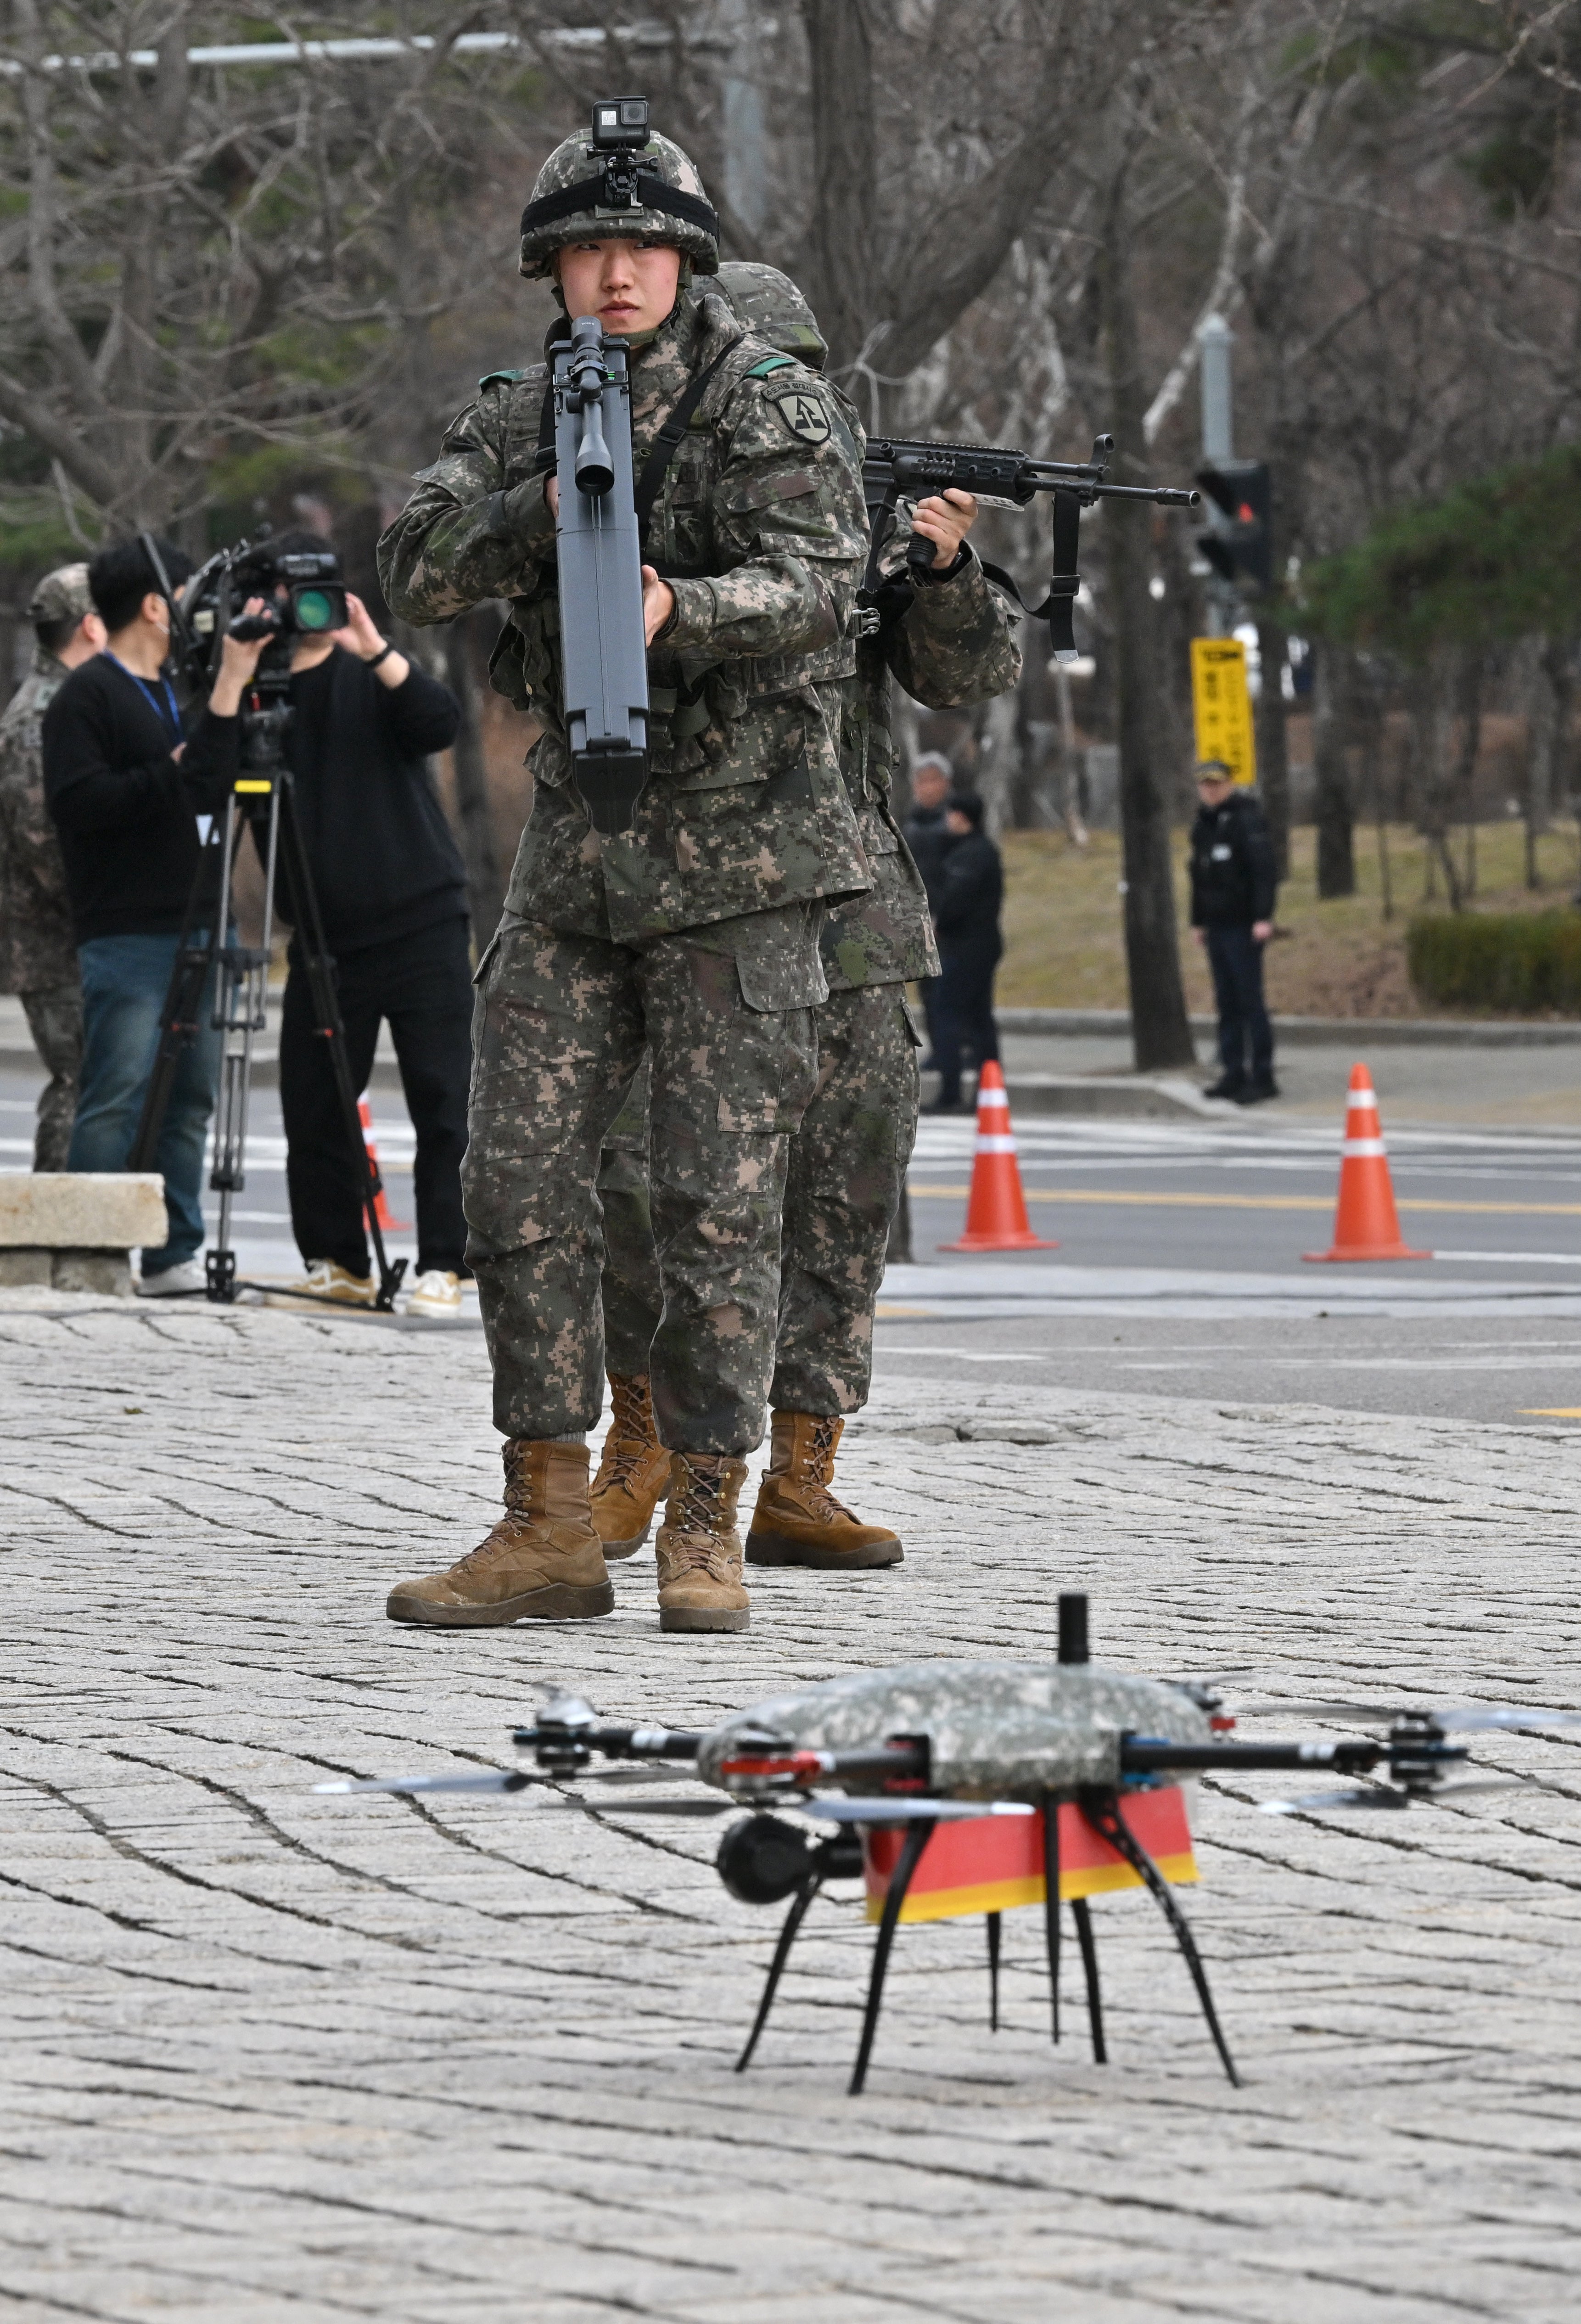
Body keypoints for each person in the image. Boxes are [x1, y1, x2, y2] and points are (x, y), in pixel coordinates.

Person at [376, 110, 872, 1636]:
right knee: (514, 1180)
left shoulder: (764, 403)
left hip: (740, 871)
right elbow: (416, 558)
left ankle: (706, 1524)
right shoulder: (522, 406)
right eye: (588, 249)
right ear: (554, 267)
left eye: (642, 247)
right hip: (582, 862)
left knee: (722, 1208)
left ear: (684, 259)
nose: (615, 273)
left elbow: (828, 581)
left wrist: (683, 608)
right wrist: (545, 515)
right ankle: (545, 1517)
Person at [589, 260, 1022, 1574]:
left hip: (853, 912)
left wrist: (938, 569)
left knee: (843, 1199)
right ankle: (645, 1440)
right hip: (696, 900)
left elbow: (967, 676)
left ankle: (804, 1465)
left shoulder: (852, 537)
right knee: (653, 1190)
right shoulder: (651, 521)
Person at [42, 537, 268, 1291]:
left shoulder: (182, 687)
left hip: (203, 916)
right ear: (150, 604)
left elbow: (213, 781)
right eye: (180, 590)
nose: (193, 604)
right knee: (116, 1093)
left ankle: (173, 1252)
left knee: (192, 1095)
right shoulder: (86, 695)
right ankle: (90, 1254)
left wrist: (225, 702)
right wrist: (165, 773)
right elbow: (79, 804)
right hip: (128, 926)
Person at [259, 534, 471, 1319]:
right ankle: (337, 1259)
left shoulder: (371, 671)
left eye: (321, 592)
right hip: (322, 937)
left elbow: (436, 722)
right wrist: (236, 662)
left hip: (420, 917)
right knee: (313, 1101)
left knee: (441, 1097)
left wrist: (374, 645)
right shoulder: (260, 690)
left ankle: (446, 1261)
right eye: (290, 594)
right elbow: (206, 773)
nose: (306, 609)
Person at [0, 566, 105, 1168]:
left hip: (72, 938)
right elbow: (44, 845)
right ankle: (55, 1231)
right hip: (55, 944)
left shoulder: (68, 702)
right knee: (81, 1081)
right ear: (90, 626)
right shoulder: (38, 720)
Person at [1189, 758, 1278, 1104]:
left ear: (1229, 784)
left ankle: (1262, 1073)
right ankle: (1232, 1072)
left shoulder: (1246, 820)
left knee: (1249, 1001)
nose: (1211, 790)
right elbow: (1199, 878)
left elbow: (1263, 873)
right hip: (1216, 925)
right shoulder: (1204, 825)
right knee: (1226, 1003)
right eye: (1206, 785)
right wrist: (1197, 921)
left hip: (1243, 925)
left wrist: (1263, 917)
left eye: (1217, 784)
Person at [926, 792, 1004, 1115]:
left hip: (964, 946)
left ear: (961, 817)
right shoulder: (982, 850)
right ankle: (990, 1092)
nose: (947, 820)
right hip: (983, 945)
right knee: (980, 1019)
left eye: (952, 814)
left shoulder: (970, 855)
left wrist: (939, 923)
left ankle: (951, 1092)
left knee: (946, 1015)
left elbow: (956, 900)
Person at [901, 749, 956, 1068]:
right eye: (921, 781)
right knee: (930, 991)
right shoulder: (911, 823)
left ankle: (955, 1049)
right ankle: (939, 1049)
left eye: (933, 781)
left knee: (950, 990)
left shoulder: (953, 823)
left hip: (946, 920)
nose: (926, 788)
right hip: (920, 919)